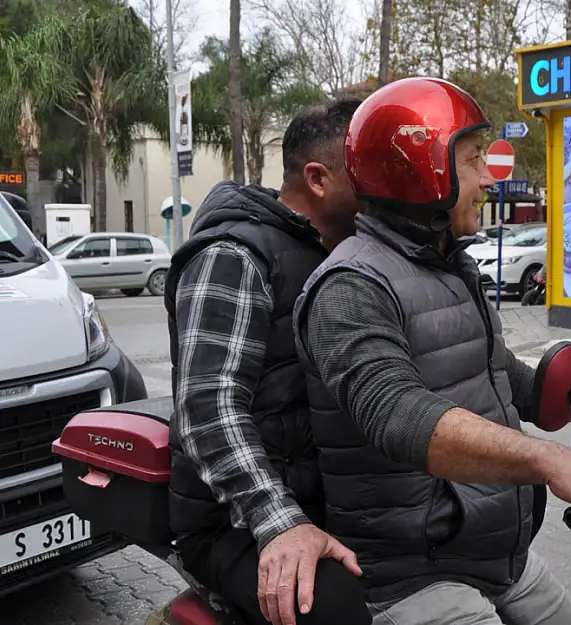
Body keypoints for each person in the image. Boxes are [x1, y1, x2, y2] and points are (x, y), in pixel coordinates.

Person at [292, 76, 571, 625]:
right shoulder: (351, 285)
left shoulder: (452, 266)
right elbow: (397, 413)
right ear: (421, 171)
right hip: (414, 572)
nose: (488, 178)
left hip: (498, 557)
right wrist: (555, 462)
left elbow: (502, 376)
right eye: (473, 160)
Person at [164, 97, 373, 625]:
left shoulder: (346, 252)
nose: (384, 182)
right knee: (334, 608)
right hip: (234, 520)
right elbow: (208, 408)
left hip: (329, 497)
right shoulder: (235, 255)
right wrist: (280, 523)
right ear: (319, 179)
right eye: (367, 170)